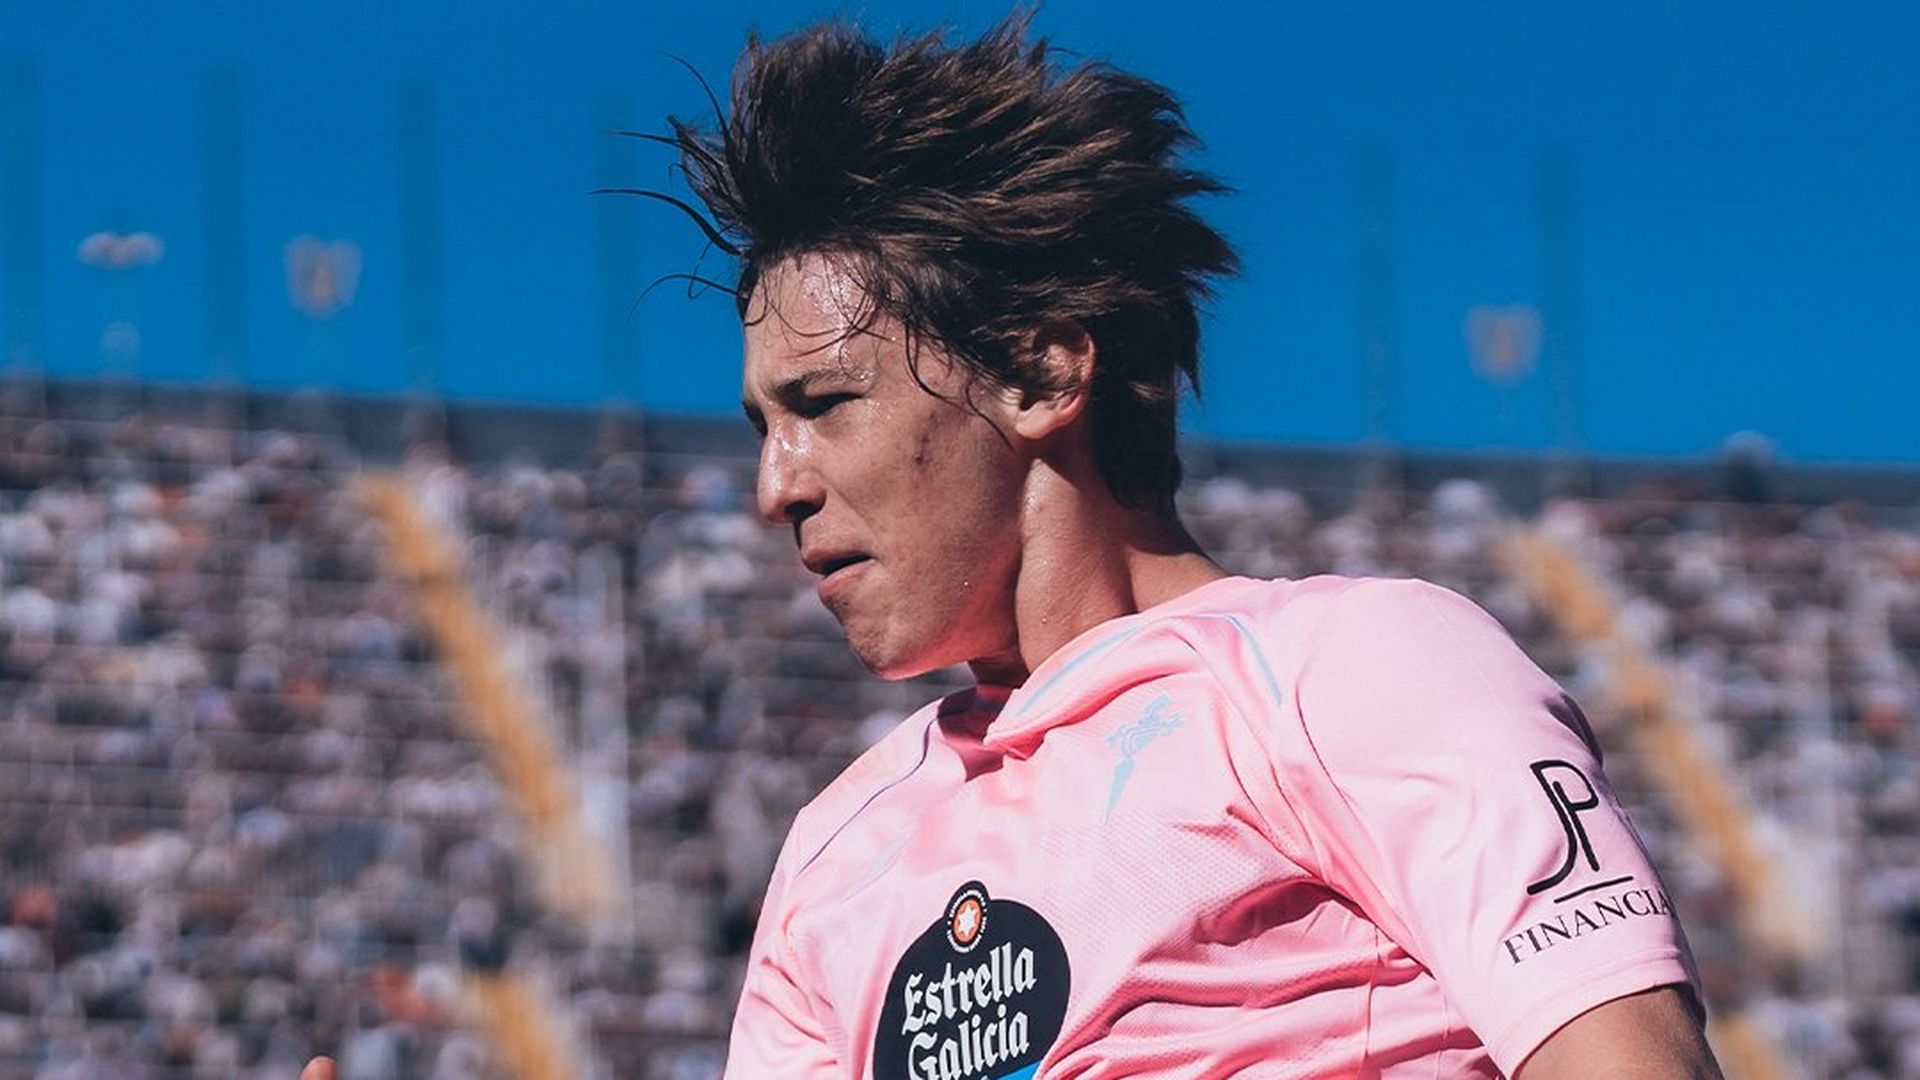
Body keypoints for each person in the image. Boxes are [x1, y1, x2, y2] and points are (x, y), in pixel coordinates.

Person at [310, 15, 1719, 1080]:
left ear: (1042, 377)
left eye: (823, 407)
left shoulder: (1358, 672)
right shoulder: (839, 852)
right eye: (759, 426)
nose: (771, 489)